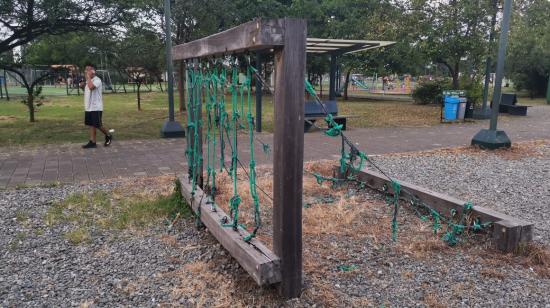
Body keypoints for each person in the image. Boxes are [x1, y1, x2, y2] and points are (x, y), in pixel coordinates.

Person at [80, 63, 113, 148]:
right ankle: (92, 142)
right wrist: (82, 86)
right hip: (88, 107)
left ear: (93, 71)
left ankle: (108, 135)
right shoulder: (88, 81)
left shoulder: (97, 80)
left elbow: (91, 87)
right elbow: (87, 90)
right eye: (86, 69)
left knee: (98, 125)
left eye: (88, 69)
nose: (86, 71)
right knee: (91, 124)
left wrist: (87, 78)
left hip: (96, 107)